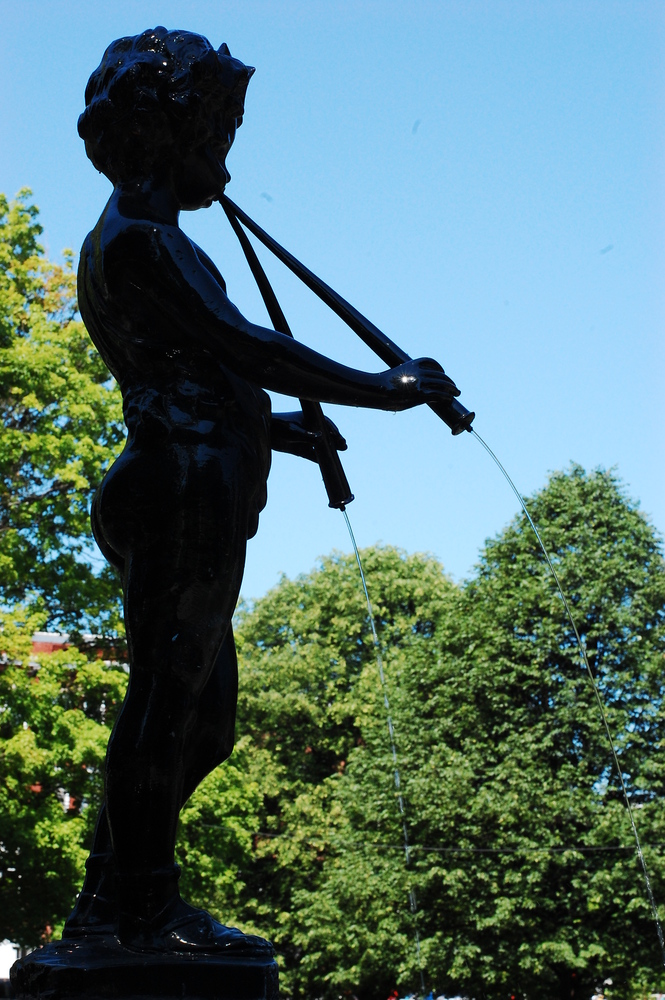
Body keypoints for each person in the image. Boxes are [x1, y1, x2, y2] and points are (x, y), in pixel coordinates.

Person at [65, 26, 460, 954]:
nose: (226, 160)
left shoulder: (154, 241)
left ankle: (109, 895)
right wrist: (383, 389)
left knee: (203, 721)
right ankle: (145, 912)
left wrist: (278, 428)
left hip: (194, 475)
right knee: (168, 705)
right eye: (220, 133)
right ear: (171, 131)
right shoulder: (139, 242)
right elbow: (250, 350)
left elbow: (195, 374)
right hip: (181, 488)